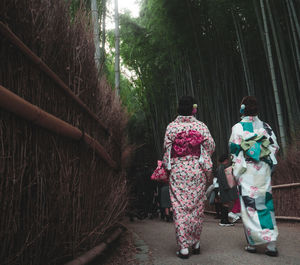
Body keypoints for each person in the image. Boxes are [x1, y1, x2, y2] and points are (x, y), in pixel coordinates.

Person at [162, 96, 215, 259]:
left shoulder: (172, 127)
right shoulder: (200, 126)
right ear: (193, 109)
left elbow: (167, 150)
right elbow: (210, 146)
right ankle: (196, 242)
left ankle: (184, 247)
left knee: (179, 208)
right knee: (197, 207)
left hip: (178, 171)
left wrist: (169, 167)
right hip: (196, 170)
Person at [229, 96, 280, 257]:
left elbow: (235, 151)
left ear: (242, 109)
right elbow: (274, 147)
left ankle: (252, 243)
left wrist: (236, 172)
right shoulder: (266, 126)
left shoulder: (237, 127)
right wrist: (267, 164)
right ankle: (271, 245)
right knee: (265, 204)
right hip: (263, 170)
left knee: (249, 206)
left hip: (247, 171)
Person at [216, 154, 239, 226]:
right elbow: (224, 179)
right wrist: (227, 187)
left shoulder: (220, 167)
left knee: (225, 204)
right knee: (225, 204)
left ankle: (224, 220)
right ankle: (224, 221)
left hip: (222, 188)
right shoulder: (222, 168)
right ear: (225, 160)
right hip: (225, 189)